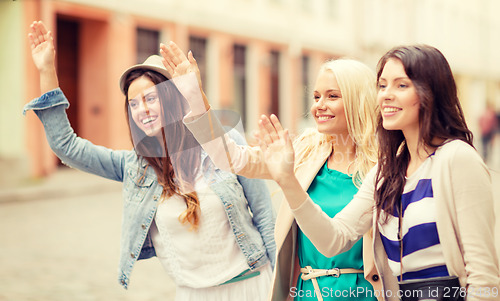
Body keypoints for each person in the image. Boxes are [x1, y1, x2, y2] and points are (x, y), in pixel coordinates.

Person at [23, 21, 275, 301]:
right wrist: (47, 70)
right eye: (133, 104)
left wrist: (283, 286)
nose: (142, 110)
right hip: (193, 294)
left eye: (150, 98)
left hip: (252, 286)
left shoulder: (226, 146)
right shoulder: (135, 166)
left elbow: (266, 218)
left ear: (174, 98)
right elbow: (66, 146)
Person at [256, 45, 500, 300]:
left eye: (401, 85)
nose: (386, 95)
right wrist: (287, 180)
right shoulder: (386, 171)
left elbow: (483, 275)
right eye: (382, 86)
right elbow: (333, 239)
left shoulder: (457, 158)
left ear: (431, 92)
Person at [160, 42, 383, 300]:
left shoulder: (385, 165)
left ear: (359, 100)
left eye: (333, 96)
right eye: (316, 97)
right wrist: (196, 100)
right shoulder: (305, 150)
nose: (319, 105)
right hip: (307, 292)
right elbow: (232, 158)